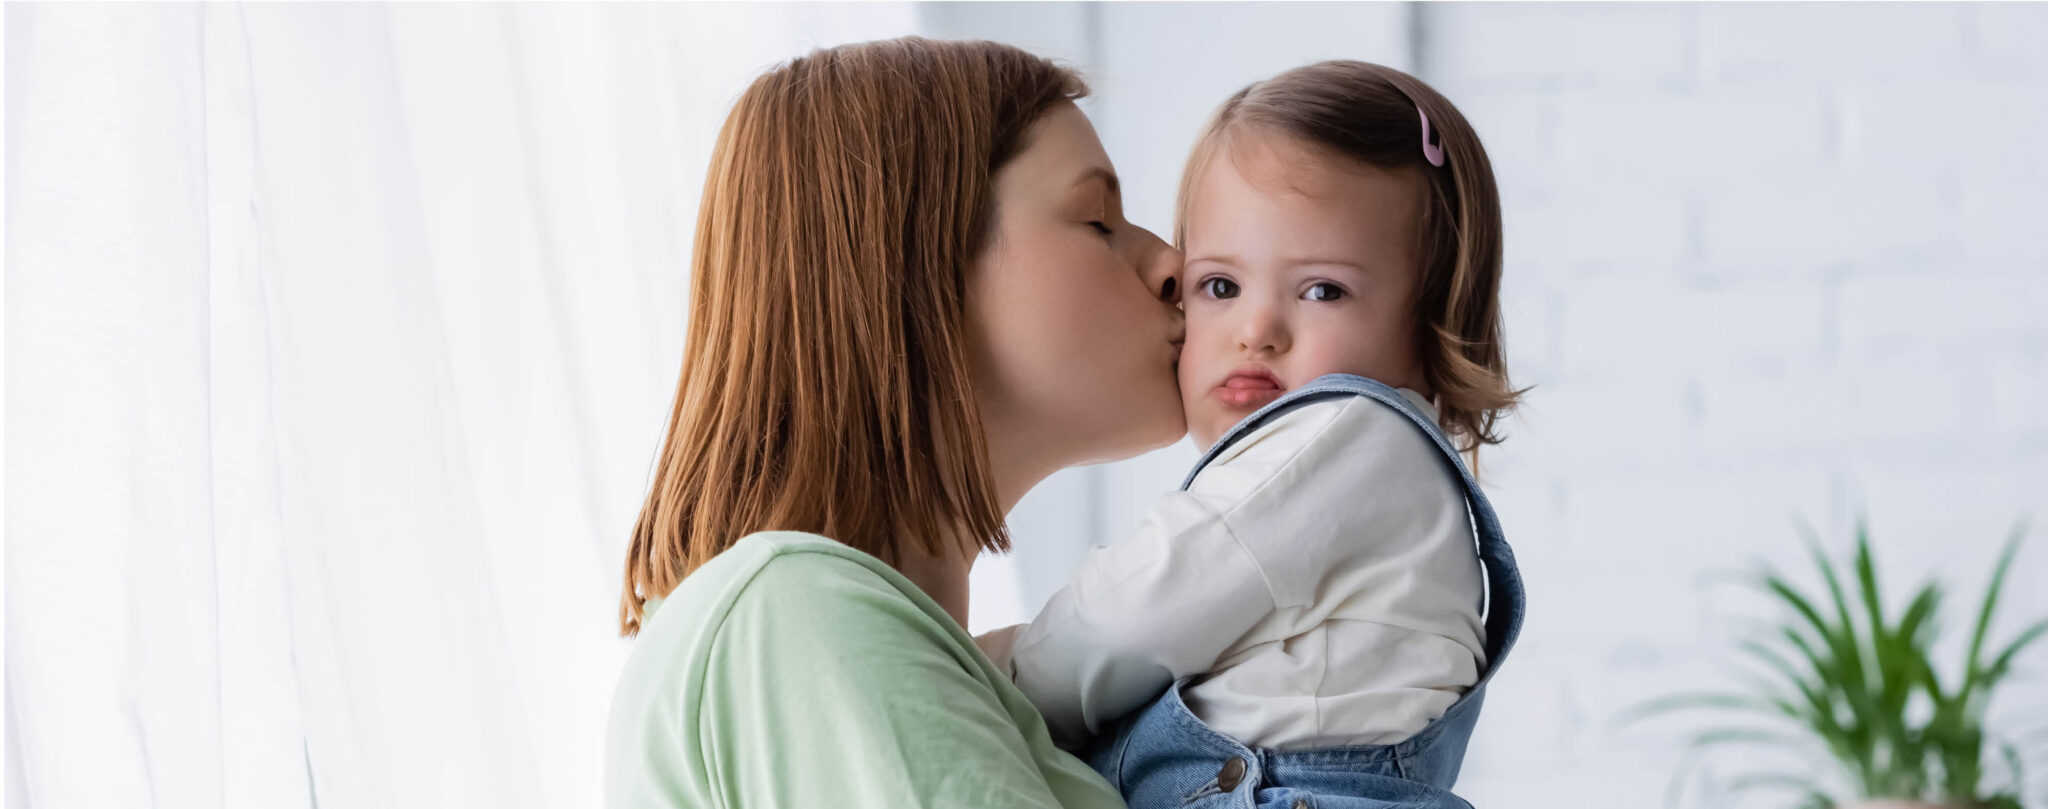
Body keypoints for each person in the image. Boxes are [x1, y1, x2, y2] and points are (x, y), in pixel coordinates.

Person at [605, 37, 1185, 809]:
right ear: (919, 267)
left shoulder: (807, 626)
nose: (1173, 262)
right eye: (1097, 219)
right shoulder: (795, 613)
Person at [978, 60, 1529, 809]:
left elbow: (1134, 606)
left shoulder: (1351, 434)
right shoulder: (1383, 480)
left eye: (1322, 290)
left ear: (1432, 328)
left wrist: (980, 671)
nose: (1257, 330)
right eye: (1220, 286)